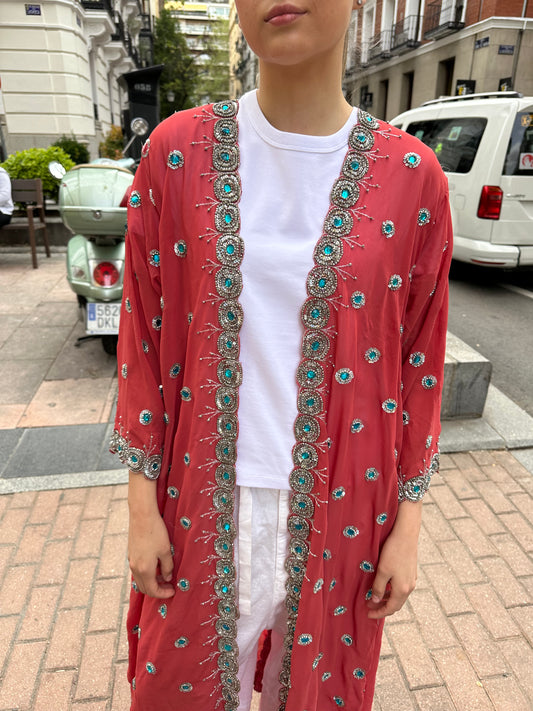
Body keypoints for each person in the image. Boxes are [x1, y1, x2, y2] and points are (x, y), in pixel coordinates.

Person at [110, 1, 452, 710]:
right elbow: (142, 331)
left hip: (346, 510)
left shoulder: (413, 176)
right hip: (195, 503)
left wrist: (408, 523)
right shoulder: (176, 154)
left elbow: (419, 361)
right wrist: (142, 505)